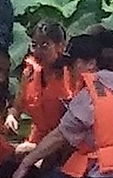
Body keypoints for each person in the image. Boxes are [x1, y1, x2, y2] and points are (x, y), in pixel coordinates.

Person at [2, 34, 113, 178]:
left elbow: (59, 136)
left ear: (91, 63)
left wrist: (26, 163)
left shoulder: (90, 95)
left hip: (102, 177)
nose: (69, 70)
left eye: (72, 65)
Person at [13, 21, 71, 154]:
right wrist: (12, 117)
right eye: (34, 45)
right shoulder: (29, 73)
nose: (38, 52)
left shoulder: (71, 75)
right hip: (37, 140)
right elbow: (17, 107)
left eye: (45, 46)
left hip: (64, 143)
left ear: (60, 46)